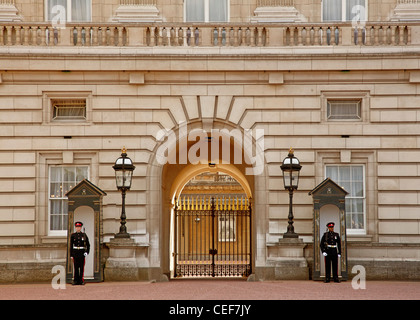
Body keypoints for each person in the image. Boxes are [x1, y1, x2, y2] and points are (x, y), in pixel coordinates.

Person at [70, 221, 90, 285]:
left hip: (81, 252)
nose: (78, 228)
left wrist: (87, 252)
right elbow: (71, 245)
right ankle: (76, 280)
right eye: (77, 227)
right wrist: (71, 254)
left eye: (79, 227)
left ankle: (81, 280)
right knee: (76, 267)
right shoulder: (73, 235)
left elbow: (87, 244)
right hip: (75, 252)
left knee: (81, 267)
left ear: (81, 228)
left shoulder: (84, 235)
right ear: (75, 228)